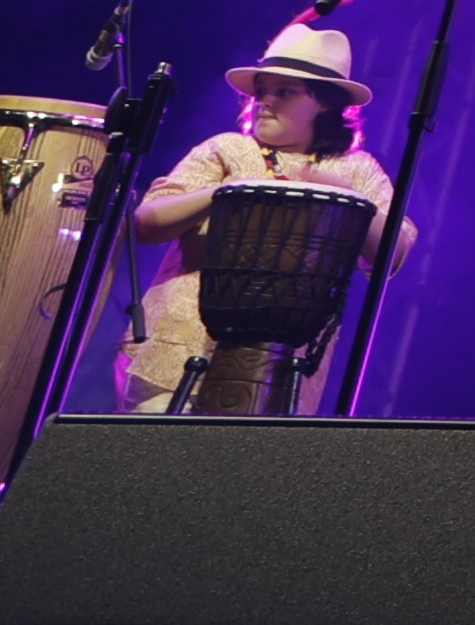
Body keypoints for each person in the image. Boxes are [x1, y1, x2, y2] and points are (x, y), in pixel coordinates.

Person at [109, 22, 403, 414]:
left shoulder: (356, 169)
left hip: (283, 367)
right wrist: (226, 191)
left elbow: (392, 255)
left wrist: (350, 198)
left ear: (325, 101)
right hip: (178, 349)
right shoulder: (227, 149)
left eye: (285, 91)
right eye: (262, 90)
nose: (264, 101)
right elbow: (146, 223)